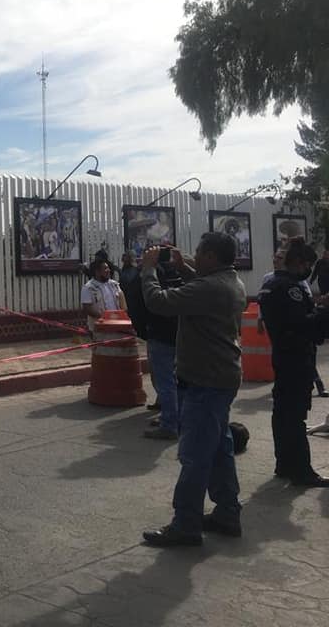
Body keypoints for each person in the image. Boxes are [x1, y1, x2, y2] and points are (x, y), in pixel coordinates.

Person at [139, 233, 247, 547]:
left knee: (195, 456)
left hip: (205, 382)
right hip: (220, 378)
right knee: (219, 451)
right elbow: (200, 287)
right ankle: (228, 511)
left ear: (211, 256)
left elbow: (158, 302)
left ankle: (185, 524)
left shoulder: (210, 287)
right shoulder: (231, 281)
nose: (193, 257)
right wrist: (183, 267)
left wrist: (149, 269)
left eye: (198, 253)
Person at [258, 239, 329, 487]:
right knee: (296, 416)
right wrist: (324, 312)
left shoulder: (271, 285)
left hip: (283, 355)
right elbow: (304, 325)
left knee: (282, 413)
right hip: (297, 357)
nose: (309, 268)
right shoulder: (291, 289)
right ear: (299, 263)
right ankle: (302, 471)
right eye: (308, 263)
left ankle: (284, 463)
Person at [123, 261, 182, 440]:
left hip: (159, 334)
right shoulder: (180, 279)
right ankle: (175, 416)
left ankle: (170, 423)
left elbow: (137, 305)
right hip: (180, 335)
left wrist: (143, 331)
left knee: (165, 381)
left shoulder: (148, 281)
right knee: (177, 379)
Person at [263, 249, 328, 398]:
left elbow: (306, 305)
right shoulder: (287, 286)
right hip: (294, 354)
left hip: (286, 354)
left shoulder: (285, 283)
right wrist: (323, 311)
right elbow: (302, 322)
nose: (307, 269)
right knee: (293, 408)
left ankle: (317, 385)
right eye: (305, 264)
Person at [80, 258, 127, 338]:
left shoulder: (114, 285)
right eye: (105, 268)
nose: (108, 270)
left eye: (108, 268)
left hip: (118, 326)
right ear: (97, 272)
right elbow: (88, 309)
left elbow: (123, 304)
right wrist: (106, 318)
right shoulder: (88, 288)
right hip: (99, 329)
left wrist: (121, 318)